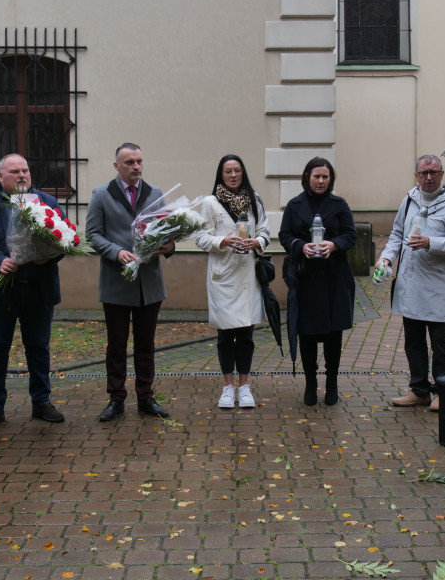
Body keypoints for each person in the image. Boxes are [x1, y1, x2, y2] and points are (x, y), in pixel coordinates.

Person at [0, 154, 66, 431]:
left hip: (38, 289)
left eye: (25, 170)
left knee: (39, 348)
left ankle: (41, 401)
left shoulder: (46, 202)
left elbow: (64, 235)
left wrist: (49, 257)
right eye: (14, 171)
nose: (22, 175)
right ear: (0, 177)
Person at [85, 143, 175, 422]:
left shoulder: (155, 193)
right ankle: (116, 399)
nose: (136, 166)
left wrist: (168, 246)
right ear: (117, 166)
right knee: (116, 344)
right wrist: (116, 251)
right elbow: (92, 234)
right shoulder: (102, 194)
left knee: (146, 344)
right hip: (117, 281)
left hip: (149, 282)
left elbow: (167, 231)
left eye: (139, 161)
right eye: (129, 162)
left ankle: (146, 397)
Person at [377, 155, 445, 412]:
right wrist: (385, 258)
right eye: (424, 173)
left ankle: (442, 391)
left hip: (436, 285)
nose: (429, 177)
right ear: (416, 175)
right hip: (410, 283)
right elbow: (397, 234)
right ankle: (419, 390)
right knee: (413, 341)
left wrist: (432, 242)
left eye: (434, 172)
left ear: (442, 174)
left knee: (440, 343)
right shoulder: (409, 200)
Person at [278, 157, 357, 407]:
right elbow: (284, 235)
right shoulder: (294, 205)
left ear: (331, 179)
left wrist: (334, 245)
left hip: (334, 278)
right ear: (307, 177)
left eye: (325, 176)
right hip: (306, 279)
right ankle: (310, 384)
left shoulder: (339, 204)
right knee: (308, 335)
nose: (321, 181)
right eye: (317, 176)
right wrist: (301, 247)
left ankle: (331, 383)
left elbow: (350, 235)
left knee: (334, 335)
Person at [194, 155, 271, 409]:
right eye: (228, 171)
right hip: (223, 276)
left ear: (243, 173)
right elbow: (200, 238)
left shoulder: (254, 199)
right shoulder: (210, 202)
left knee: (247, 335)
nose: (234, 175)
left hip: (247, 274)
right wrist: (223, 241)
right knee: (226, 335)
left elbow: (265, 233)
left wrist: (256, 242)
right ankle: (228, 387)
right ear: (221, 174)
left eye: (238, 170)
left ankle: (245, 386)